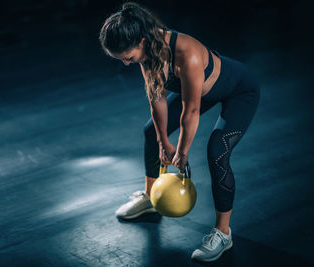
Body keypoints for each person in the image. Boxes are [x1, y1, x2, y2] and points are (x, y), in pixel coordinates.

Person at [99, 2, 260, 262]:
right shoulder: (147, 49)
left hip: (240, 90)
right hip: (202, 90)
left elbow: (191, 111)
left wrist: (182, 151)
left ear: (140, 41)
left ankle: (223, 232)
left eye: (128, 57)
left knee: (217, 151)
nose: (127, 64)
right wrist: (164, 141)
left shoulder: (187, 53)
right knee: (151, 132)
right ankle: (152, 199)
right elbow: (156, 98)